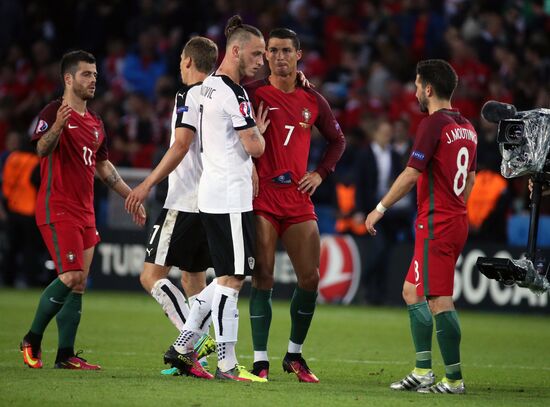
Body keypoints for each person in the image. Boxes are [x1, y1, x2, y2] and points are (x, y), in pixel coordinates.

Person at [20, 50, 146, 370]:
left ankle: (65, 355)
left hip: (85, 212)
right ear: (68, 78)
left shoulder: (95, 122)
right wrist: (58, 128)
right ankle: (32, 338)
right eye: (86, 74)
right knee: (71, 274)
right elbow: (41, 148)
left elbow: (104, 168)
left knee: (79, 283)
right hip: (58, 206)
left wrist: (130, 196)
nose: (93, 80)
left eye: (94, 74)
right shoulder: (54, 111)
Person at [162, 15, 267, 383]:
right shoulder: (234, 93)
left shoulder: (203, 88)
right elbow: (254, 145)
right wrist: (259, 135)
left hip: (211, 193)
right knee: (232, 279)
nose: (261, 62)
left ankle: (182, 346)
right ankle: (226, 364)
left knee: (224, 277)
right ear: (235, 50)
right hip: (230, 195)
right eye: (256, 54)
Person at [365, 59, 477, 394]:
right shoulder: (467, 126)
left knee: (439, 299)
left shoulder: (433, 124)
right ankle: (423, 370)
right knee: (412, 291)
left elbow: (412, 173)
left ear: (428, 88)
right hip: (454, 218)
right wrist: (456, 208)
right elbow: (470, 177)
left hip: (438, 222)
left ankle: (454, 379)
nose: (414, 91)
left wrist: (380, 208)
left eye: (416, 85)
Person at [244, 28, 345, 382]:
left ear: (298, 54)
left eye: (286, 50)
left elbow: (337, 140)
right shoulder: (251, 92)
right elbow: (228, 132)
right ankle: (260, 361)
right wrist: (247, 161)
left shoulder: (313, 99)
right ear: (266, 55)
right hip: (262, 198)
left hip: (298, 198)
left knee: (310, 278)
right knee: (264, 277)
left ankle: (294, 356)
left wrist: (320, 173)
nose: (279, 56)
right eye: (272, 51)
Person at [124, 36, 219, 379]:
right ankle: (197, 358)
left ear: (190, 62)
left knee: (150, 276)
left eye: (181, 60)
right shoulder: (219, 95)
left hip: (183, 200)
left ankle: (192, 342)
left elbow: (181, 145)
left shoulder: (189, 95)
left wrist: (147, 184)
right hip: (210, 201)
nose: (180, 65)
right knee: (193, 277)